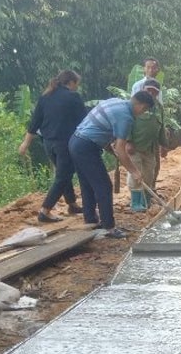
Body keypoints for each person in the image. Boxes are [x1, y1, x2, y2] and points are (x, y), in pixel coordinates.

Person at [69, 92, 153, 238]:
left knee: (88, 184)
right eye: (144, 110)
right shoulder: (126, 117)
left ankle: (91, 220)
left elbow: (102, 128)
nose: (142, 114)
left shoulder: (116, 102)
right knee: (104, 186)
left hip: (75, 141)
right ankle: (109, 227)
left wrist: (110, 149)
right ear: (141, 106)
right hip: (86, 146)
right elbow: (121, 147)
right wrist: (134, 171)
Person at [19, 70, 88, 223]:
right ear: (71, 82)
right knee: (63, 176)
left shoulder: (45, 96)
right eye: (77, 84)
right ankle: (45, 210)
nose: (77, 87)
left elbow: (35, 122)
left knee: (65, 173)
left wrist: (25, 143)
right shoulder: (73, 97)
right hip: (65, 143)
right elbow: (85, 121)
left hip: (48, 143)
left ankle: (72, 204)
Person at [125, 80, 169, 211]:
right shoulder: (134, 105)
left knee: (149, 174)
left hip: (151, 148)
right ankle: (136, 203)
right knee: (136, 174)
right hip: (135, 147)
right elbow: (126, 123)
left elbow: (161, 128)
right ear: (143, 89)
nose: (151, 93)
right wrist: (128, 141)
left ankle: (146, 201)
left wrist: (164, 145)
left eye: (154, 91)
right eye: (148, 90)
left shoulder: (159, 107)